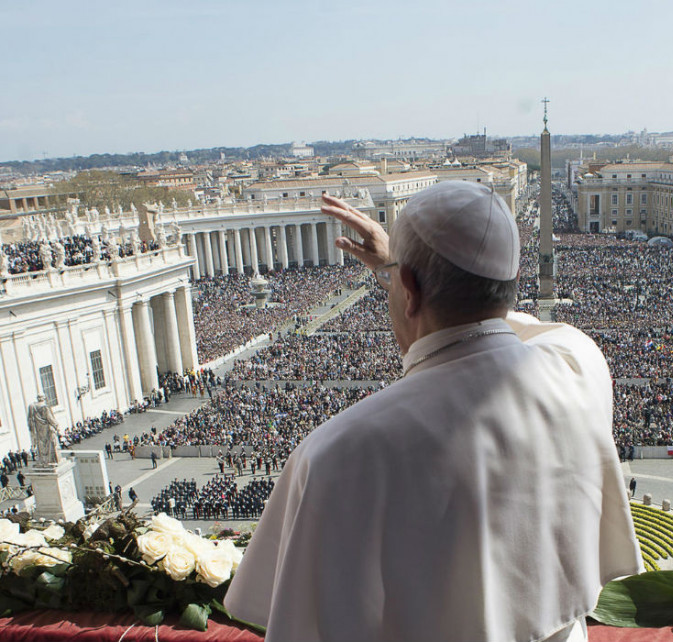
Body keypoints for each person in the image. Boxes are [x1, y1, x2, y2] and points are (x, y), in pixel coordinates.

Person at [225, 183, 641, 642]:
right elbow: (514, 325)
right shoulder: (579, 366)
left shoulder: (337, 453)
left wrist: (399, 269)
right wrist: (403, 269)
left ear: (408, 290)